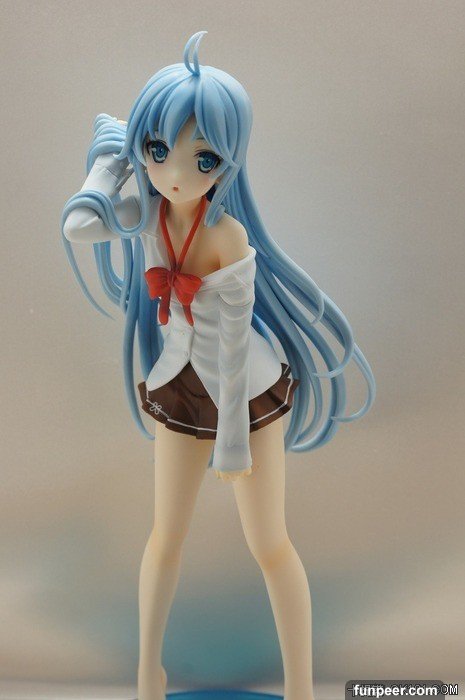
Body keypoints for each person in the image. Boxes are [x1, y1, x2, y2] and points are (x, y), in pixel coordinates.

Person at [61, 30, 375, 700]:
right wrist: (110, 164)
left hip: (245, 395)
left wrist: (232, 442)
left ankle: (300, 687)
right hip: (180, 384)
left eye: (201, 157)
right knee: (164, 537)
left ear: (227, 162)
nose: (175, 173)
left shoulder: (226, 236)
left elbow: (234, 350)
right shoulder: (148, 213)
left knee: (269, 542)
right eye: (157, 150)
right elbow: (81, 226)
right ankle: (148, 677)